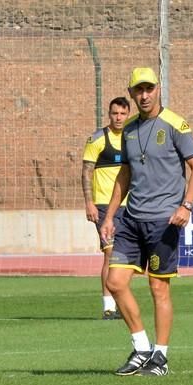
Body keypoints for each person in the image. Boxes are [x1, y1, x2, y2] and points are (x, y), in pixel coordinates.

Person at [100, 67, 193, 377]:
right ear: (131, 93)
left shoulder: (176, 124)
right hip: (131, 218)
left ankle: (161, 356)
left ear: (158, 89)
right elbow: (125, 173)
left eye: (149, 89)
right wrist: (109, 215)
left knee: (158, 288)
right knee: (115, 282)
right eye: (138, 90)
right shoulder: (128, 130)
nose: (144, 95)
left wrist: (186, 205)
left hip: (163, 220)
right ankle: (141, 347)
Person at [82, 96, 131, 320]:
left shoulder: (133, 137)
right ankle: (108, 305)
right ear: (109, 114)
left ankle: (121, 302)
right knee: (110, 254)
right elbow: (86, 172)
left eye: (122, 113)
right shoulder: (98, 138)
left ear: (128, 114)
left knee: (125, 256)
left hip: (129, 205)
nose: (118, 117)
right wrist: (89, 202)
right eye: (114, 113)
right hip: (103, 205)